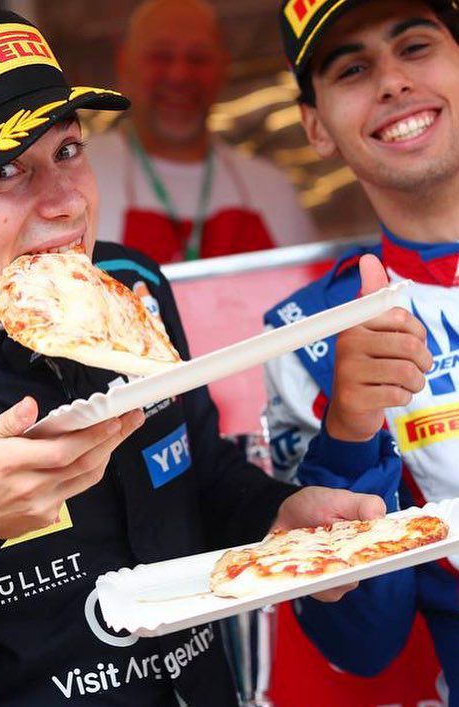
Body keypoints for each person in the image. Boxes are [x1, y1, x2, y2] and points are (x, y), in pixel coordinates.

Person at [0, 6, 430, 705]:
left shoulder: (132, 287)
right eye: (3, 169)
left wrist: (279, 515)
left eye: (66, 150)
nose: (64, 201)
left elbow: (197, 474)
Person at [265, 0, 459, 698]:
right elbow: (360, 643)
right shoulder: (306, 335)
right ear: (316, 126)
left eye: (413, 45)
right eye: (352, 67)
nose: (390, 82)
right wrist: (349, 433)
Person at [87, 0, 318, 263]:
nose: (179, 75)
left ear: (224, 67)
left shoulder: (273, 189)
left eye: (198, 58)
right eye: (161, 56)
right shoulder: (81, 176)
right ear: (124, 64)